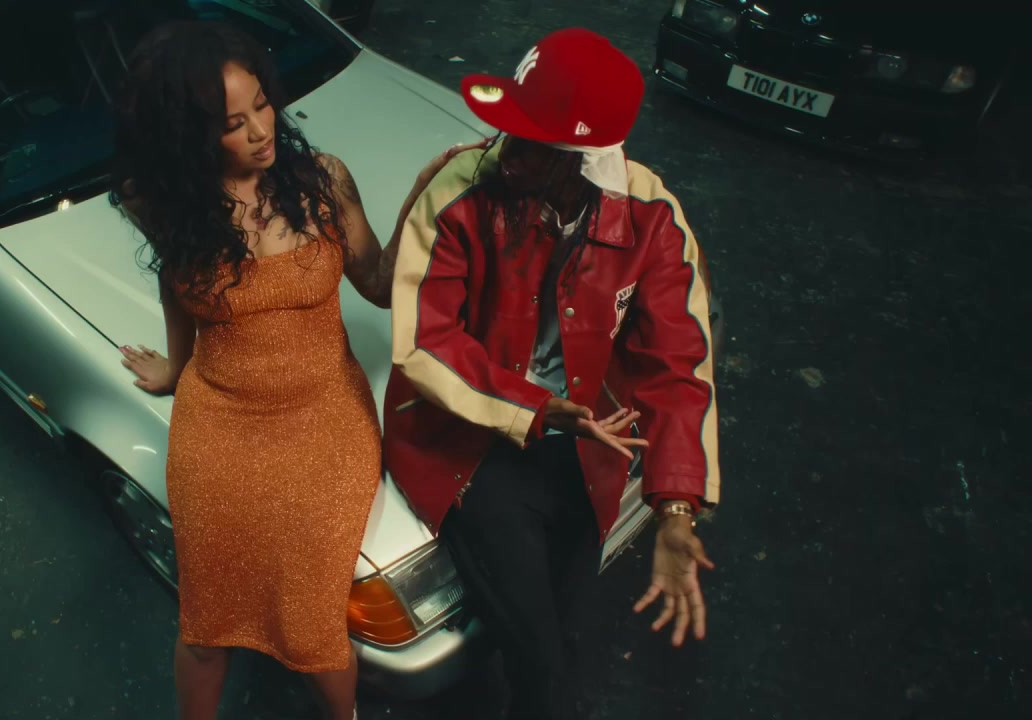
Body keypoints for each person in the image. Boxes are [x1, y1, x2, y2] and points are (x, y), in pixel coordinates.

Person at [110, 20, 480, 720]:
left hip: (325, 420)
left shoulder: (320, 182)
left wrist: (421, 200)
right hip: (217, 424)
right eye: (233, 124)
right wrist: (177, 368)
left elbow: (378, 282)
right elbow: (178, 289)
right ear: (191, 137)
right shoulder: (167, 204)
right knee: (206, 627)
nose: (260, 131)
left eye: (262, 105)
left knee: (312, 627)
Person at [382, 28, 721, 719]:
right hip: (467, 441)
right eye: (509, 128)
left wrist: (676, 512)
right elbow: (425, 341)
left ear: (584, 159)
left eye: (532, 142)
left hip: (588, 447)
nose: (506, 151)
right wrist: (533, 406)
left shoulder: (654, 219)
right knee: (542, 659)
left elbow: (678, 368)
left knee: (558, 633)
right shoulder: (460, 191)